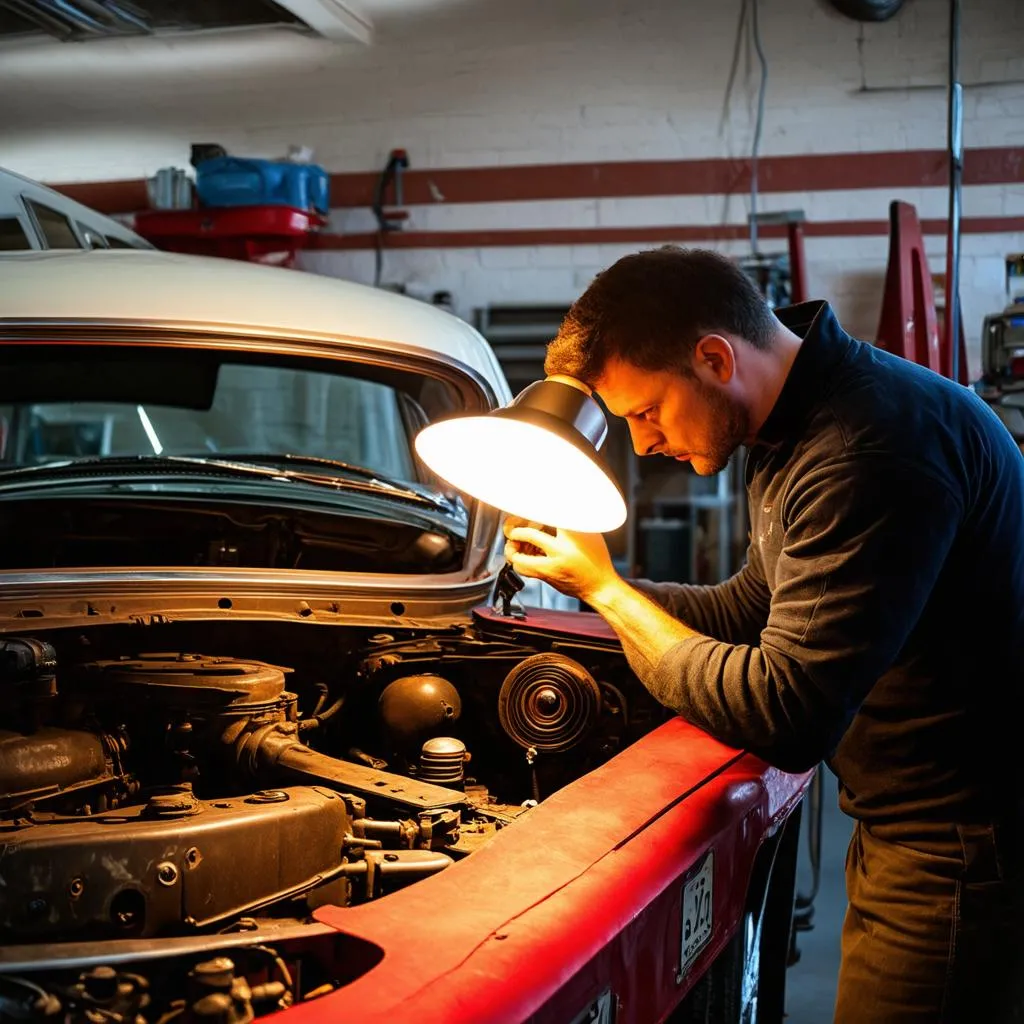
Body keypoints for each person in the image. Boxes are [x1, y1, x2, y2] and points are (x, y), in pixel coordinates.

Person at [503, 247, 1024, 1024]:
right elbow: (754, 604)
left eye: (646, 412)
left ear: (714, 357)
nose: (642, 445)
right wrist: (585, 590)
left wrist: (610, 594)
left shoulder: (869, 449)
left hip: (962, 846)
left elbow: (788, 714)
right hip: (913, 825)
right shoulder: (790, 428)